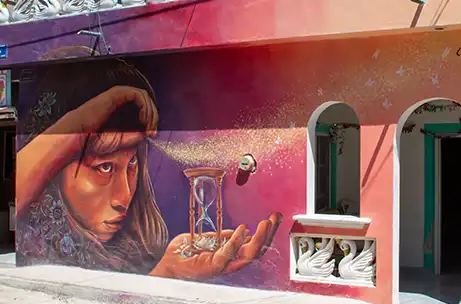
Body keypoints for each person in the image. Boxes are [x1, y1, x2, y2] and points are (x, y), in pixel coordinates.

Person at [16, 47, 280, 281]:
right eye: (104, 167)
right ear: (55, 165)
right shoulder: (36, 245)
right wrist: (83, 122)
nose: (124, 197)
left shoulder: (127, 252)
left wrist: (168, 270)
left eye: (132, 164)